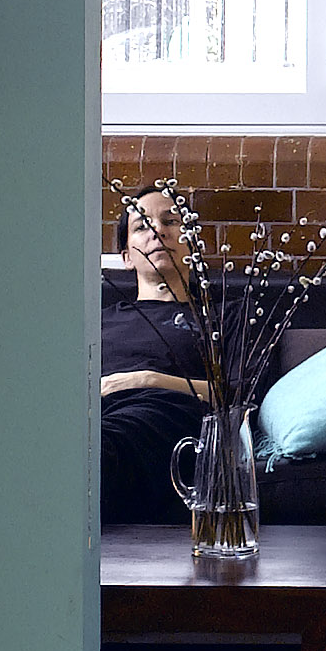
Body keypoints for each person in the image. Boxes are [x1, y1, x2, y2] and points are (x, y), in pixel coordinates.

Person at [99, 185, 213, 523]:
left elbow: (242, 392)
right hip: (87, 411)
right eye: (141, 226)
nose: (158, 231)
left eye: (171, 221)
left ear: (193, 244)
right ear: (126, 257)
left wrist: (146, 380)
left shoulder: (221, 318)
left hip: (157, 414)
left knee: (94, 450)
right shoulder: (95, 321)